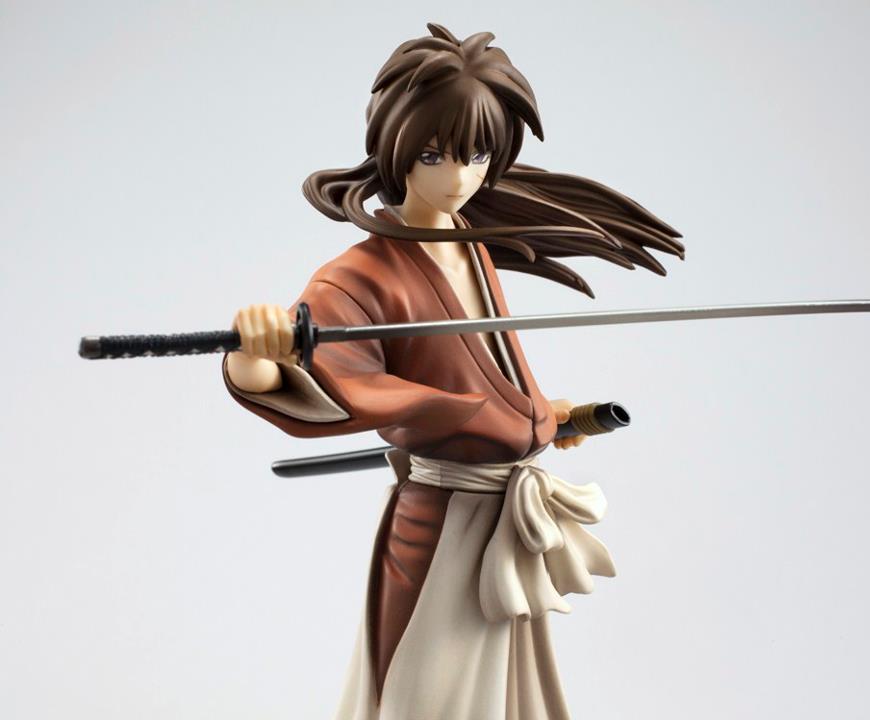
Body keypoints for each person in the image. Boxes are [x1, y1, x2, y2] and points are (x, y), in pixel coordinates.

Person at [222, 22, 683, 720]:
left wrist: (538, 416)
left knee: (498, 696)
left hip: (501, 517)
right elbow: (311, 381)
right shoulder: (357, 275)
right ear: (396, 148)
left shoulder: (469, 241)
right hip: (442, 524)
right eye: (435, 155)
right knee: (424, 696)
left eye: (475, 155)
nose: (459, 178)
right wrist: (254, 350)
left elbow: (485, 368)